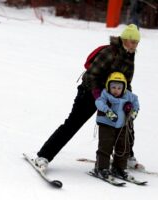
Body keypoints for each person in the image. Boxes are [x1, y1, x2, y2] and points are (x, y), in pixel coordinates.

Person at [35, 24, 144, 172]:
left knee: (125, 123)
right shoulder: (109, 52)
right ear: (125, 39)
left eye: (137, 42)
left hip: (113, 95)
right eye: (132, 41)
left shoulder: (130, 55)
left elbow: (126, 81)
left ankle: (127, 156)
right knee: (72, 124)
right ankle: (44, 156)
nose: (135, 45)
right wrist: (98, 96)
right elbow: (90, 76)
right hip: (89, 93)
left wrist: (128, 100)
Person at [94, 72, 139, 179]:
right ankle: (101, 168)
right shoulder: (105, 94)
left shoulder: (128, 95)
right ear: (108, 86)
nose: (116, 90)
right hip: (107, 124)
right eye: (113, 87)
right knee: (106, 145)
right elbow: (99, 102)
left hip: (122, 125)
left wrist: (133, 112)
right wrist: (107, 111)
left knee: (123, 146)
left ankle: (119, 168)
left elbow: (136, 103)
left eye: (119, 88)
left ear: (124, 88)